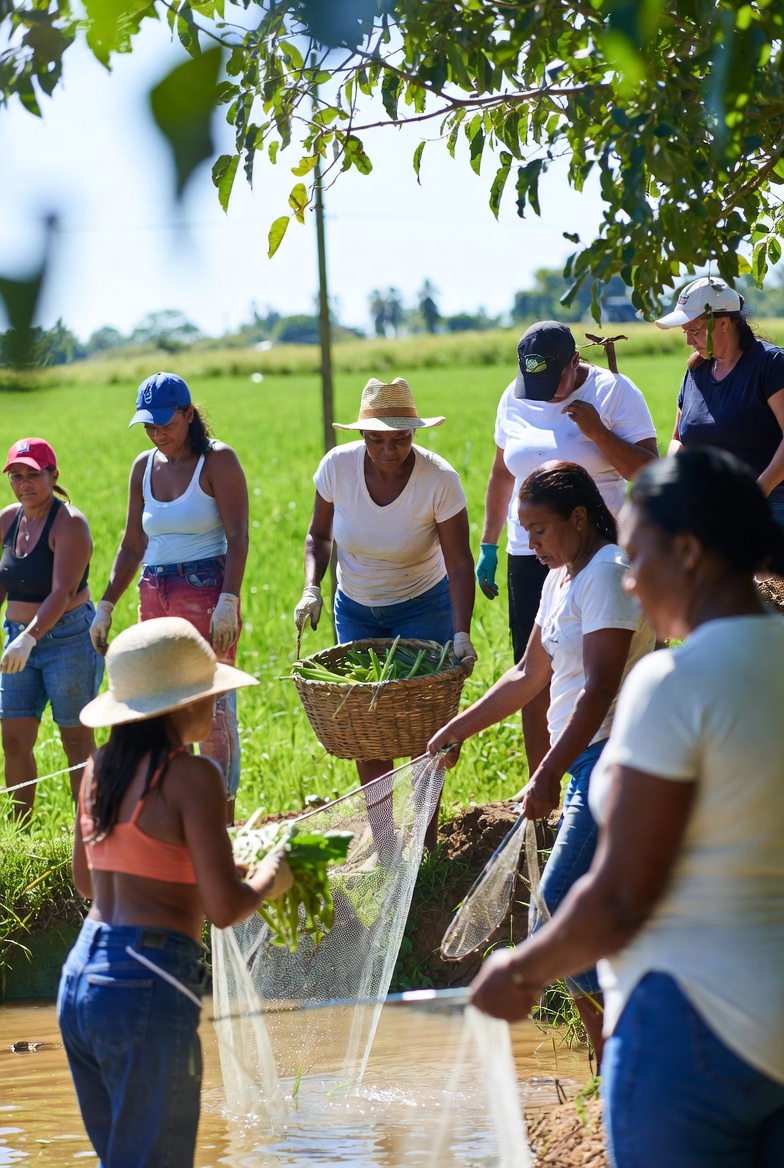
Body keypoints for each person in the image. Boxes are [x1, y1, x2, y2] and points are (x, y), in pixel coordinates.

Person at [470, 449, 784, 1167]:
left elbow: (617, 898)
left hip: (693, 1029)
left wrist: (522, 971)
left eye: (639, 558)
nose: (632, 582)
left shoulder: (671, 684)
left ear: (691, 551)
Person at [429, 461, 654, 1056]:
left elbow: (600, 687)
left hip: (609, 760)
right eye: (523, 531)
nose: (530, 544)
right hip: (582, 762)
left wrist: (549, 771)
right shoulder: (561, 578)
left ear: (579, 519)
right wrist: (458, 729)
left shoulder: (606, 573)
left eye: (540, 530)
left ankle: (637, 1038)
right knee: (566, 921)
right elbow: (530, 674)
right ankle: (608, 1063)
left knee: (552, 916)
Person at [58, 616, 293, 1168]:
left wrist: (196, 863)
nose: (213, 708)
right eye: (206, 696)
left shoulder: (98, 769)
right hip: (148, 981)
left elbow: (88, 879)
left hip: (83, 981)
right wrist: (273, 877)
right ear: (177, 706)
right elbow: (227, 907)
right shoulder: (192, 778)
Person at [294, 377, 476, 850]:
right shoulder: (337, 468)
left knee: (422, 727)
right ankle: (387, 845)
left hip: (424, 604)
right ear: (361, 436)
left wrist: (461, 635)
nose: (389, 450)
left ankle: (424, 845)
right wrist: (312, 588)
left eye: (400, 439)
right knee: (366, 724)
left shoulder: (439, 480)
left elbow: (459, 562)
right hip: (355, 607)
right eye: (377, 439)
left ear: (415, 433)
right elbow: (319, 535)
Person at [477, 321, 658, 774]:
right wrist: (489, 544)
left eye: (549, 381)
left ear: (574, 362)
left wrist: (598, 433)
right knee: (536, 671)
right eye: (531, 382)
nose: (539, 393)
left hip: (601, 554)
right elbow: (502, 473)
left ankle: (625, 771)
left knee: (609, 669)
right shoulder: (514, 397)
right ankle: (544, 787)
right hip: (532, 554)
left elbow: (651, 472)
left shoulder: (614, 392)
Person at [89, 372, 249, 821]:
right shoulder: (143, 466)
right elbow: (132, 544)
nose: (159, 434)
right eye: (150, 426)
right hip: (153, 592)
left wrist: (229, 600)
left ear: (189, 414)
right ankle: (176, 819)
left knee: (212, 711)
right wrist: (106, 606)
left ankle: (222, 823)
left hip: (206, 591)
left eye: (167, 424)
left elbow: (238, 537)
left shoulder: (217, 461)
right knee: (160, 709)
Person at [0, 438, 103, 819]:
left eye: (33, 475)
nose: (24, 484)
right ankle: (18, 831)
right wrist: (19, 635)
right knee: (13, 738)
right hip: (18, 639)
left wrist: (30, 637)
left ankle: (88, 834)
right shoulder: (9, 518)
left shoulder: (70, 523)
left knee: (76, 739)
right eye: (16, 476)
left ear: (53, 475)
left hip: (68, 639)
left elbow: (64, 591)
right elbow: (3, 578)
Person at [656, 275, 784, 530]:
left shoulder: (770, 365)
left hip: (769, 507)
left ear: (724, 323)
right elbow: (679, 439)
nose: (689, 342)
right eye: (686, 332)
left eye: (694, 330)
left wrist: (754, 496)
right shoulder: (696, 370)